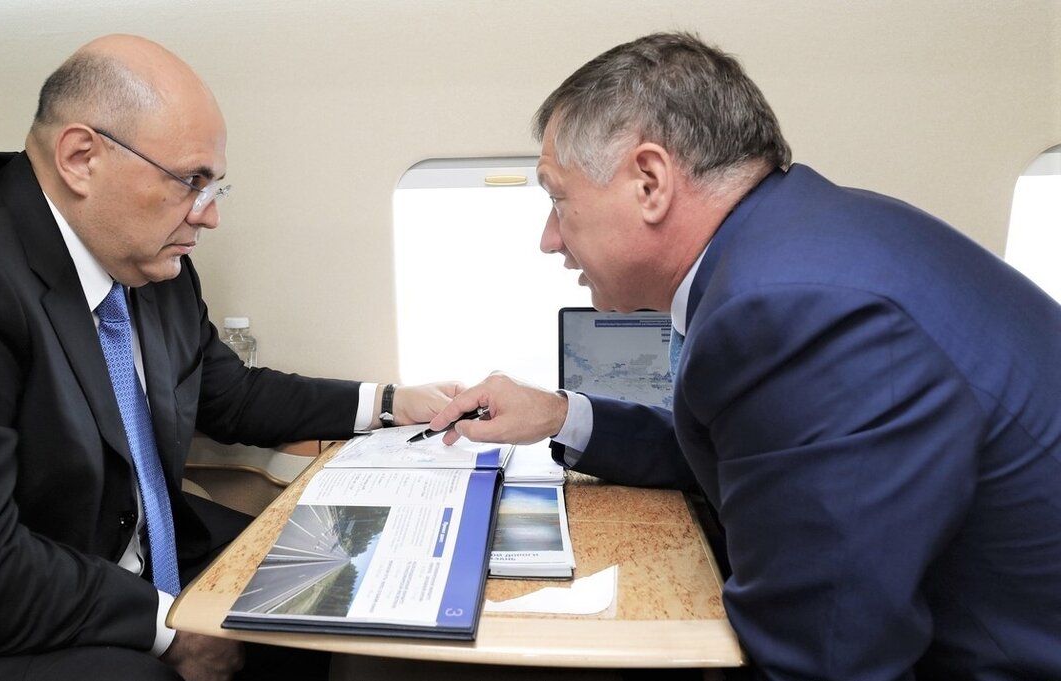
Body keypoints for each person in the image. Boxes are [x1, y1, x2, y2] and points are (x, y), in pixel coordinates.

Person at [430, 32, 1061, 680]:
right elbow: (752, 455)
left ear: (650, 182)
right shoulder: (790, 247)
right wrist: (560, 415)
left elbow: (823, 659)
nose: (549, 238)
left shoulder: (789, 313)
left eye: (558, 200)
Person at [0, 35, 460, 681]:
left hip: (133, 554)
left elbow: (231, 395)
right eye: (191, 181)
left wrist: (390, 403)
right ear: (82, 157)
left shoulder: (151, 263)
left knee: (326, 584)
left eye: (214, 187)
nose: (209, 216)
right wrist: (167, 630)